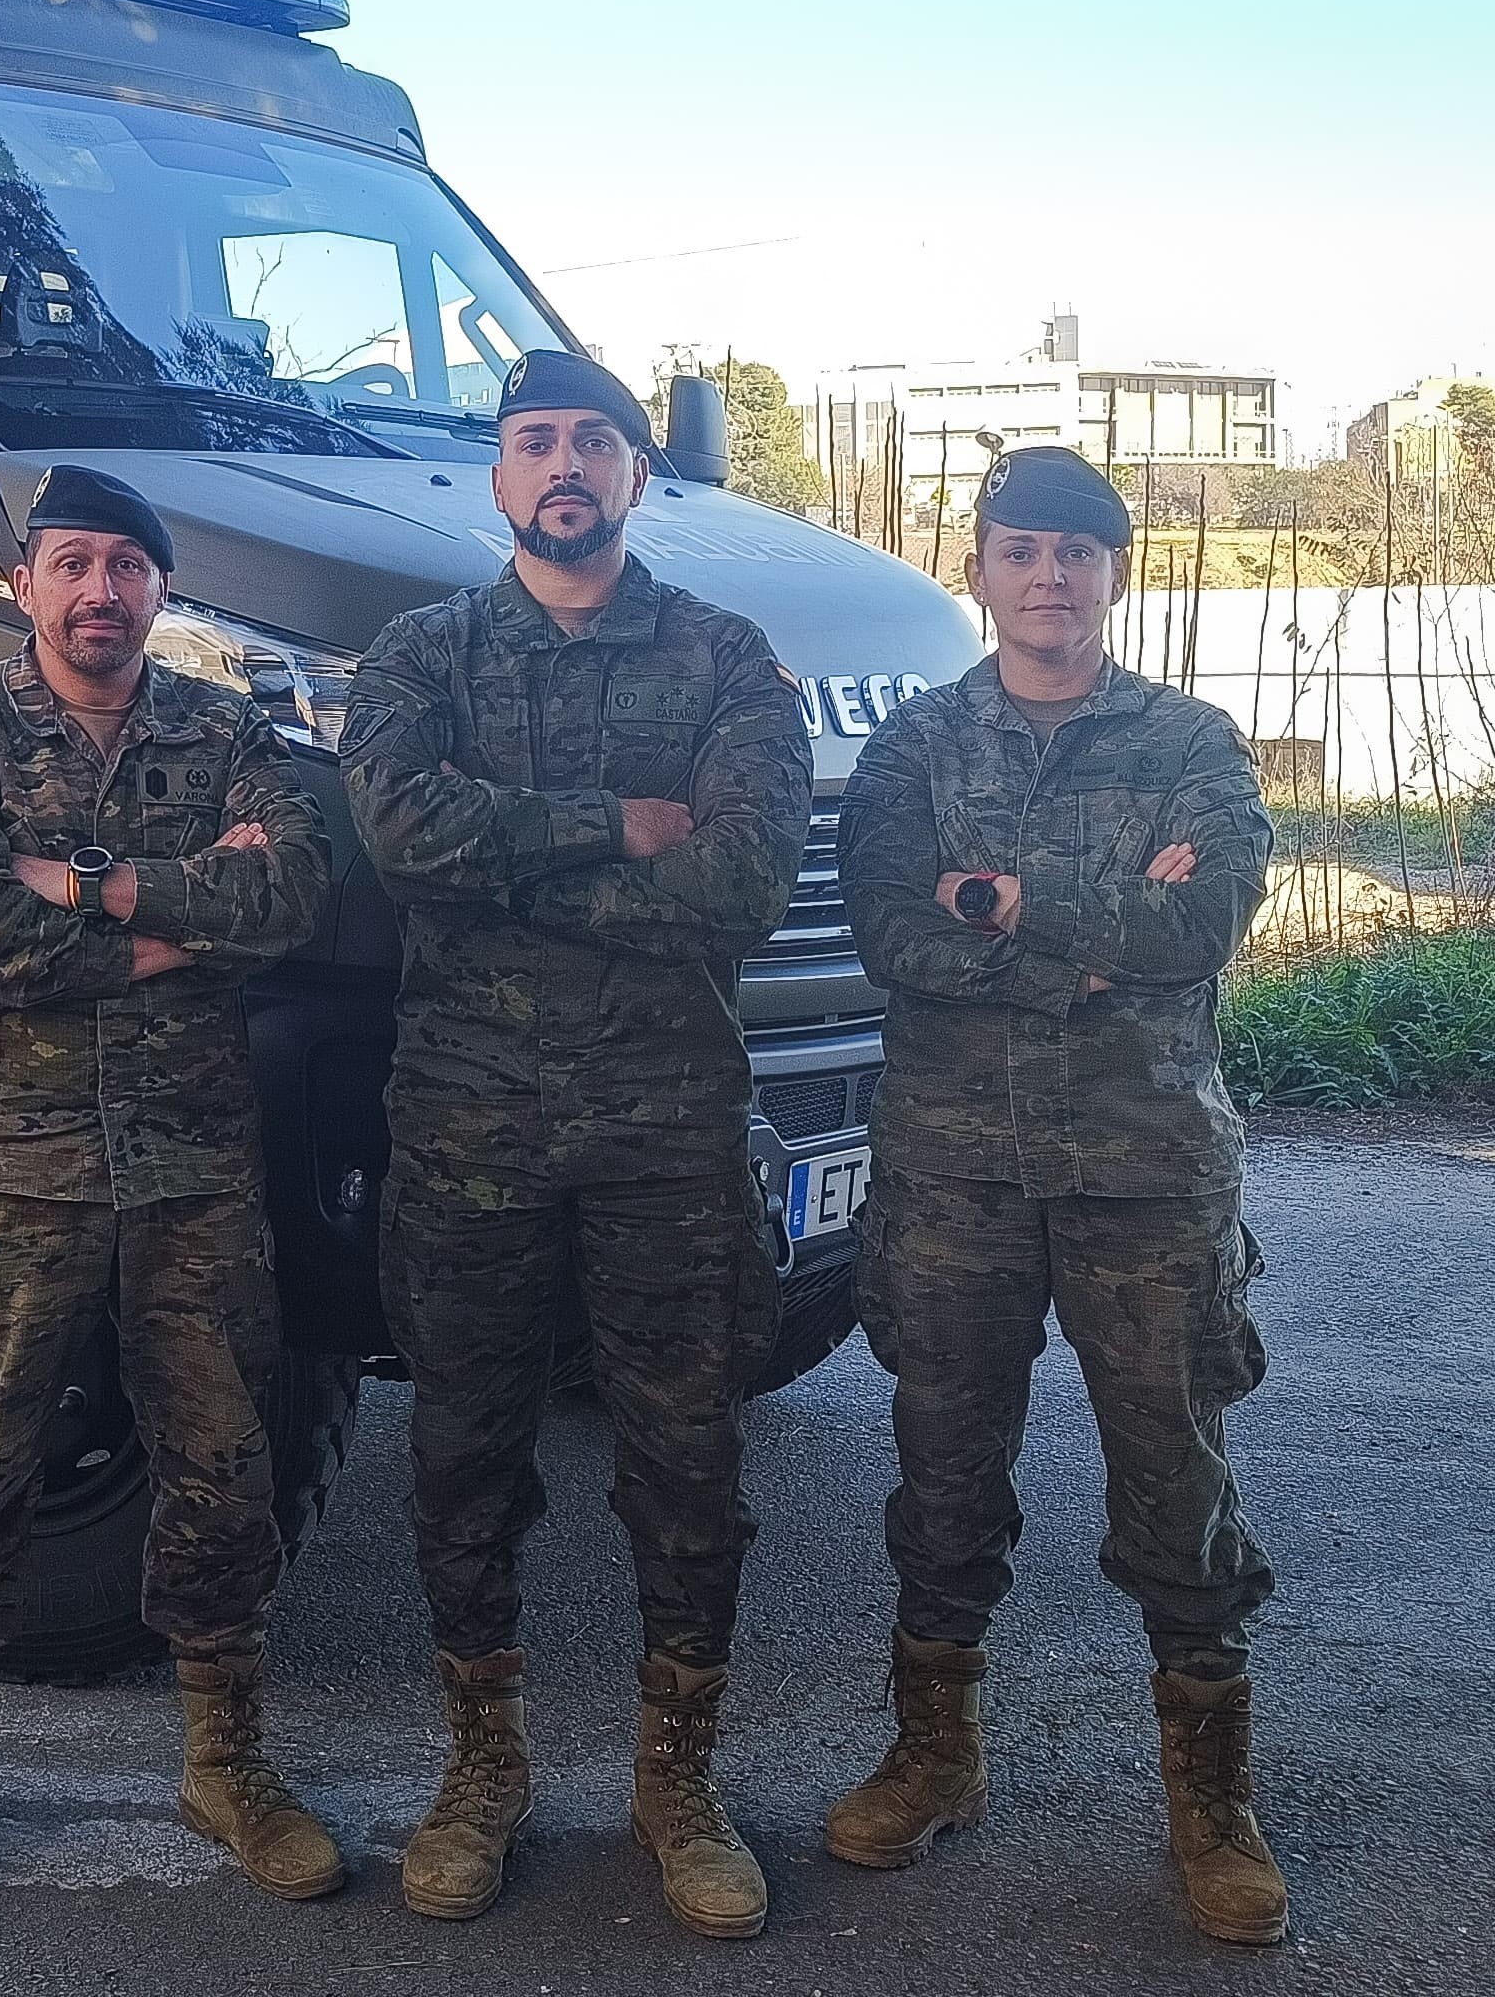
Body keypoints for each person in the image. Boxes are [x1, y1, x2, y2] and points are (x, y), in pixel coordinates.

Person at [339, 351, 811, 1939]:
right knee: (466, 1449)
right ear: (496, 476)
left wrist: (508, 857)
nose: (564, 467)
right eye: (534, 442)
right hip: (468, 1121)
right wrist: (618, 819)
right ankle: (480, 1770)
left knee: (687, 1459)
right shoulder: (419, 656)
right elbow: (404, 838)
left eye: (593, 443)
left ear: (632, 473)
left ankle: (678, 1783)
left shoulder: (730, 655)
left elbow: (742, 882)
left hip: (667, 1124)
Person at [0, 463, 340, 1914]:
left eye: (127, 568)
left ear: (160, 591)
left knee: (224, 1468)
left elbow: (295, 895)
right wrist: (176, 911)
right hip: (10, 1167)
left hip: (190, 1164)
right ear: (26, 586)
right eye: (71, 564)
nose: (101, 593)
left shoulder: (222, 724)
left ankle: (227, 1764)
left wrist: (76, 880)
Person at [829, 443, 1286, 1945]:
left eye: (1076, 555)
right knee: (944, 1468)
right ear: (981, 568)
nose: (1048, 578)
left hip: (1146, 1174)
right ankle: (933, 1751)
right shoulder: (913, 750)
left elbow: (1206, 916)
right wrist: (1096, 933)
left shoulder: (1193, 739)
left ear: (1114, 575)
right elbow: (891, 928)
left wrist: (1011, 897)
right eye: (1021, 550)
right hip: (956, 1172)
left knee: (1176, 1479)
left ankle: (1211, 1801)